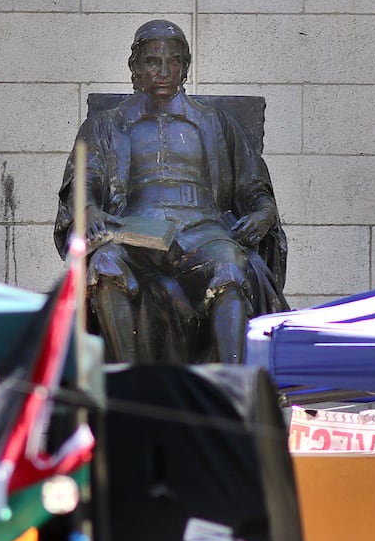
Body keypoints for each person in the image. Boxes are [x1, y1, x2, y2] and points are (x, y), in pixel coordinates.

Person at [53, 19, 288, 364]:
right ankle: (129, 387)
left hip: (204, 232)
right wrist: (89, 210)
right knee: (104, 266)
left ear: (185, 68)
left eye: (173, 61)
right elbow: (84, 180)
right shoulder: (106, 124)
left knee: (229, 269)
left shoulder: (215, 122)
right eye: (152, 61)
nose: (163, 71)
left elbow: (254, 188)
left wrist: (262, 216)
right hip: (134, 233)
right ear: (135, 67)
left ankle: (235, 391)